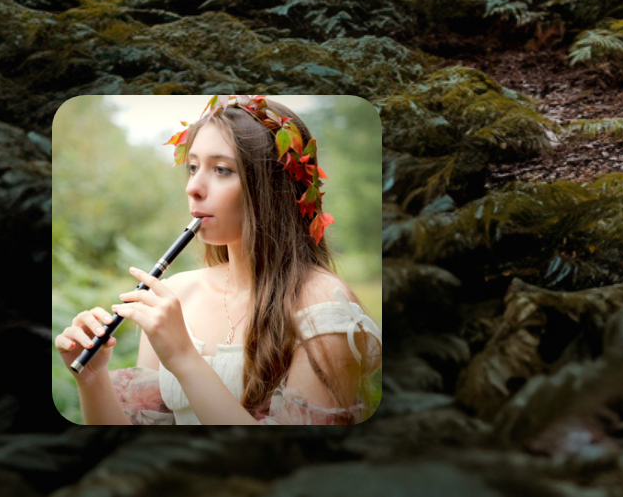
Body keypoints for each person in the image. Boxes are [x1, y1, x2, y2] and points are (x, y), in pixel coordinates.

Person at [56, 95, 380, 424]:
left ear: (273, 186)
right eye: (193, 167)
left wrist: (185, 358)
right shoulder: (177, 294)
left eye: (222, 169)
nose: (193, 188)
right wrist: (92, 380)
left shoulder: (324, 308)